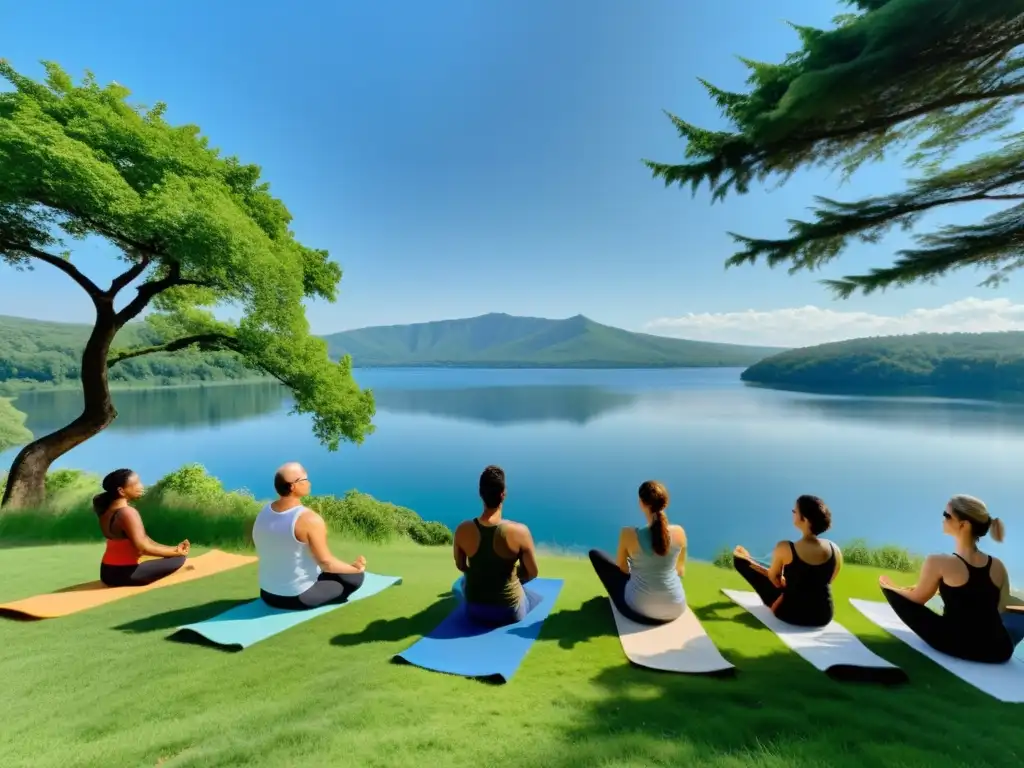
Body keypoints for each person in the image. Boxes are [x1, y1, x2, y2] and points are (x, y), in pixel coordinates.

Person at [879, 494, 1016, 664]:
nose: (943, 519)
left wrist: (892, 588)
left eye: (947, 515)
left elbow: (917, 599)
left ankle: (887, 587)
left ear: (963, 525)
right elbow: (1000, 607)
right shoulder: (998, 565)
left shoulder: (938, 562)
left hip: (956, 643)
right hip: (999, 649)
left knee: (892, 592)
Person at [252, 462, 367, 611]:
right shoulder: (309, 519)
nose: (309, 483)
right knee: (354, 579)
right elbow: (327, 563)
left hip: (266, 593)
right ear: (292, 487)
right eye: (304, 480)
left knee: (341, 572)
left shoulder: (265, 511)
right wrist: (357, 569)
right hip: (296, 597)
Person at [732, 495, 843, 628]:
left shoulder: (785, 547)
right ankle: (748, 559)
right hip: (823, 616)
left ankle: (744, 558)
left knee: (740, 561)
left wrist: (786, 582)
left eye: (795, 511)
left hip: (790, 614)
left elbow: (774, 580)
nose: (793, 513)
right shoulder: (834, 548)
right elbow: (829, 579)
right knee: (795, 585)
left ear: (805, 519)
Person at [452, 465, 541, 627]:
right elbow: (533, 572)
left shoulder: (462, 530)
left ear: (480, 494)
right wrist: (513, 574)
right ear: (503, 495)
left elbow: (461, 565)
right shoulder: (520, 531)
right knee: (534, 597)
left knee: (462, 583)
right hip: (509, 612)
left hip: (474, 610)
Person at [588, 480, 687, 624]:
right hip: (676, 608)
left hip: (639, 609)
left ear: (641, 503)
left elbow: (623, 569)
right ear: (665, 503)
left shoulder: (628, 534)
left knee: (596, 555)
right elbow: (680, 571)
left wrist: (639, 566)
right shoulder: (680, 532)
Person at [94, 469, 189, 587]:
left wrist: (173, 549)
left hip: (106, 572)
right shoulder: (128, 513)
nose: (141, 486)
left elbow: (145, 540)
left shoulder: (105, 512)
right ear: (121, 491)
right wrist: (178, 553)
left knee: (174, 555)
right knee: (179, 559)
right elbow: (143, 548)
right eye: (136, 483)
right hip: (125, 574)